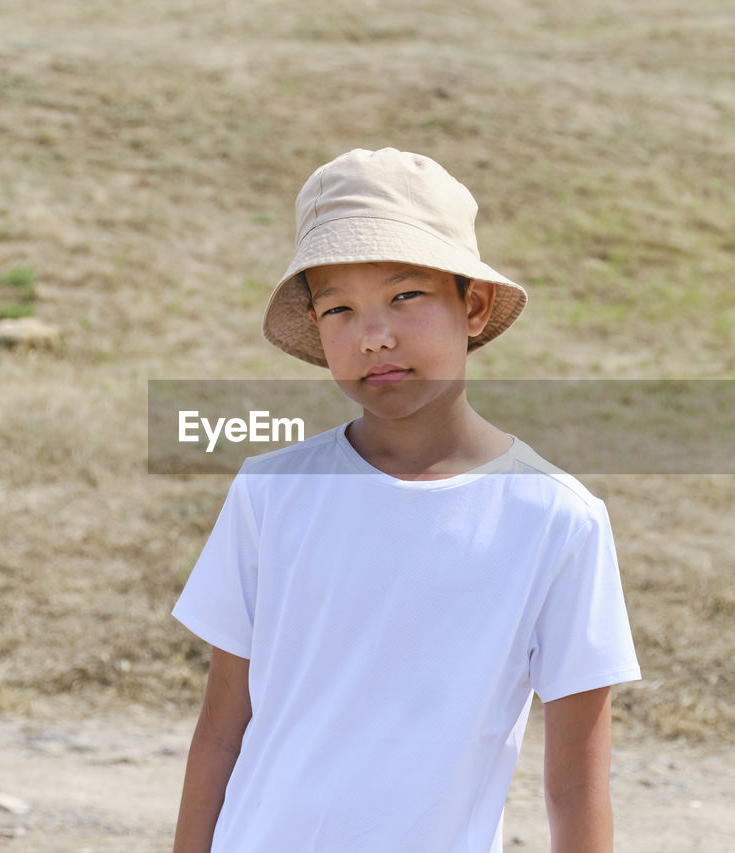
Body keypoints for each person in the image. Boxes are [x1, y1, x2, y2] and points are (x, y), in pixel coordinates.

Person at [171, 147, 640, 852]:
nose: (375, 335)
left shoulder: (555, 519)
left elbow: (575, 786)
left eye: (406, 296)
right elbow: (221, 730)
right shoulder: (271, 491)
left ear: (473, 305)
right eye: (339, 309)